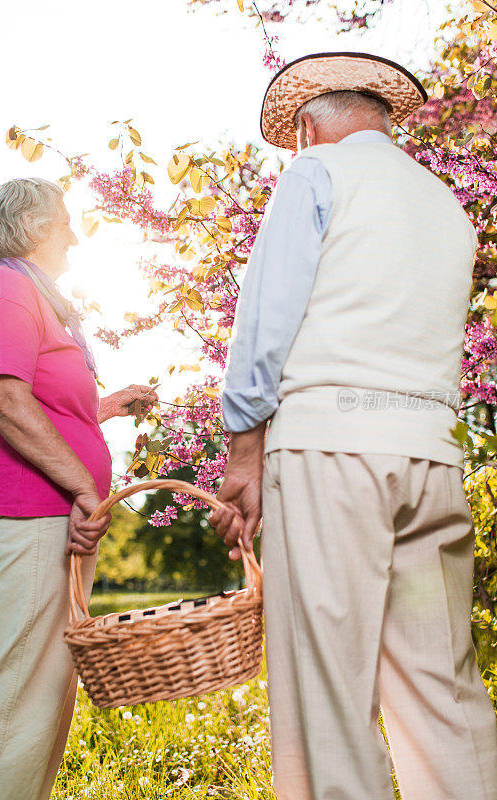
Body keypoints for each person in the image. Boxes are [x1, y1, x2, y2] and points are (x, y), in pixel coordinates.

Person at [209, 52, 497, 800]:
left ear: (307, 127)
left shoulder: (315, 173)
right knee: (443, 686)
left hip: (332, 449)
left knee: (327, 690)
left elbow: (265, 318)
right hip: (431, 455)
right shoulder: (446, 203)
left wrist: (244, 448)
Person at [0, 177, 158, 800]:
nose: (74, 235)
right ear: (35, 225)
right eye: (65, 221)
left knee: (45, 690)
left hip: (53, 508)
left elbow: (45, 401)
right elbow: (5, 400)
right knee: (16, 687)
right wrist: (81, 487)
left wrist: (104, 408)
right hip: (31, 505)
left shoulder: (35, 294)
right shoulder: (5, 288)